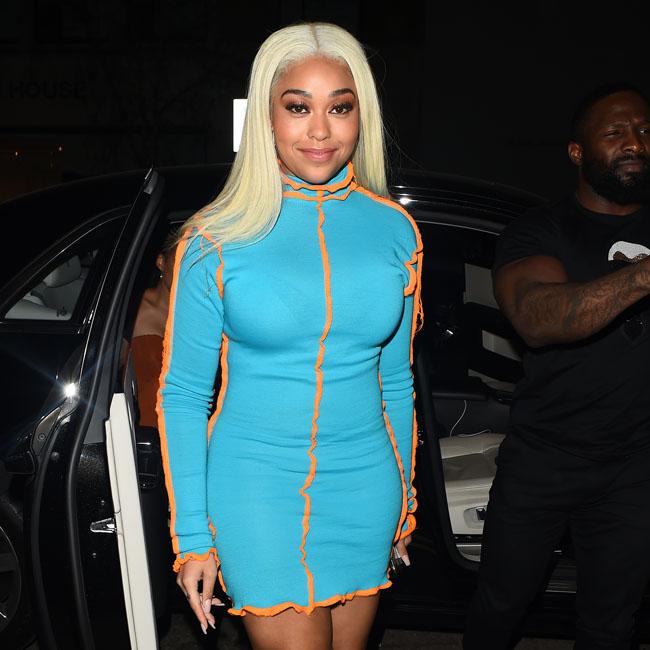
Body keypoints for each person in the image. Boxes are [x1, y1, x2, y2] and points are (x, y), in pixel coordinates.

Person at [156, 22, 423, 650]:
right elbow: (183, 395)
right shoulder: (214, 238)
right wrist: (192, 537)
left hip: (366, 486)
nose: (320, 131)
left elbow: (396, 380)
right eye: (299, 107)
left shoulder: (396, 231)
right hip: (256, 489)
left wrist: (405, 499)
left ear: (362, 115)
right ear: (266, 118)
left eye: (340, 107)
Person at [463, 83, 650, 650]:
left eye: (644, 131)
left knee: (611, 625)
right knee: (501, 607)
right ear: (577, 151)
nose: (635, 143)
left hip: (635, 467)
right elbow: (536, 318)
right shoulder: (539, 230)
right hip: (544, 459)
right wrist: (642, 276)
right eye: (615, 132)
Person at [125, 231, 177, 427]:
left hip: (183, 421)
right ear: (161, 262)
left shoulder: (200, 312)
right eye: (178, 261)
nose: (185, 271)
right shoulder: (134, 309)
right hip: (143, 428)